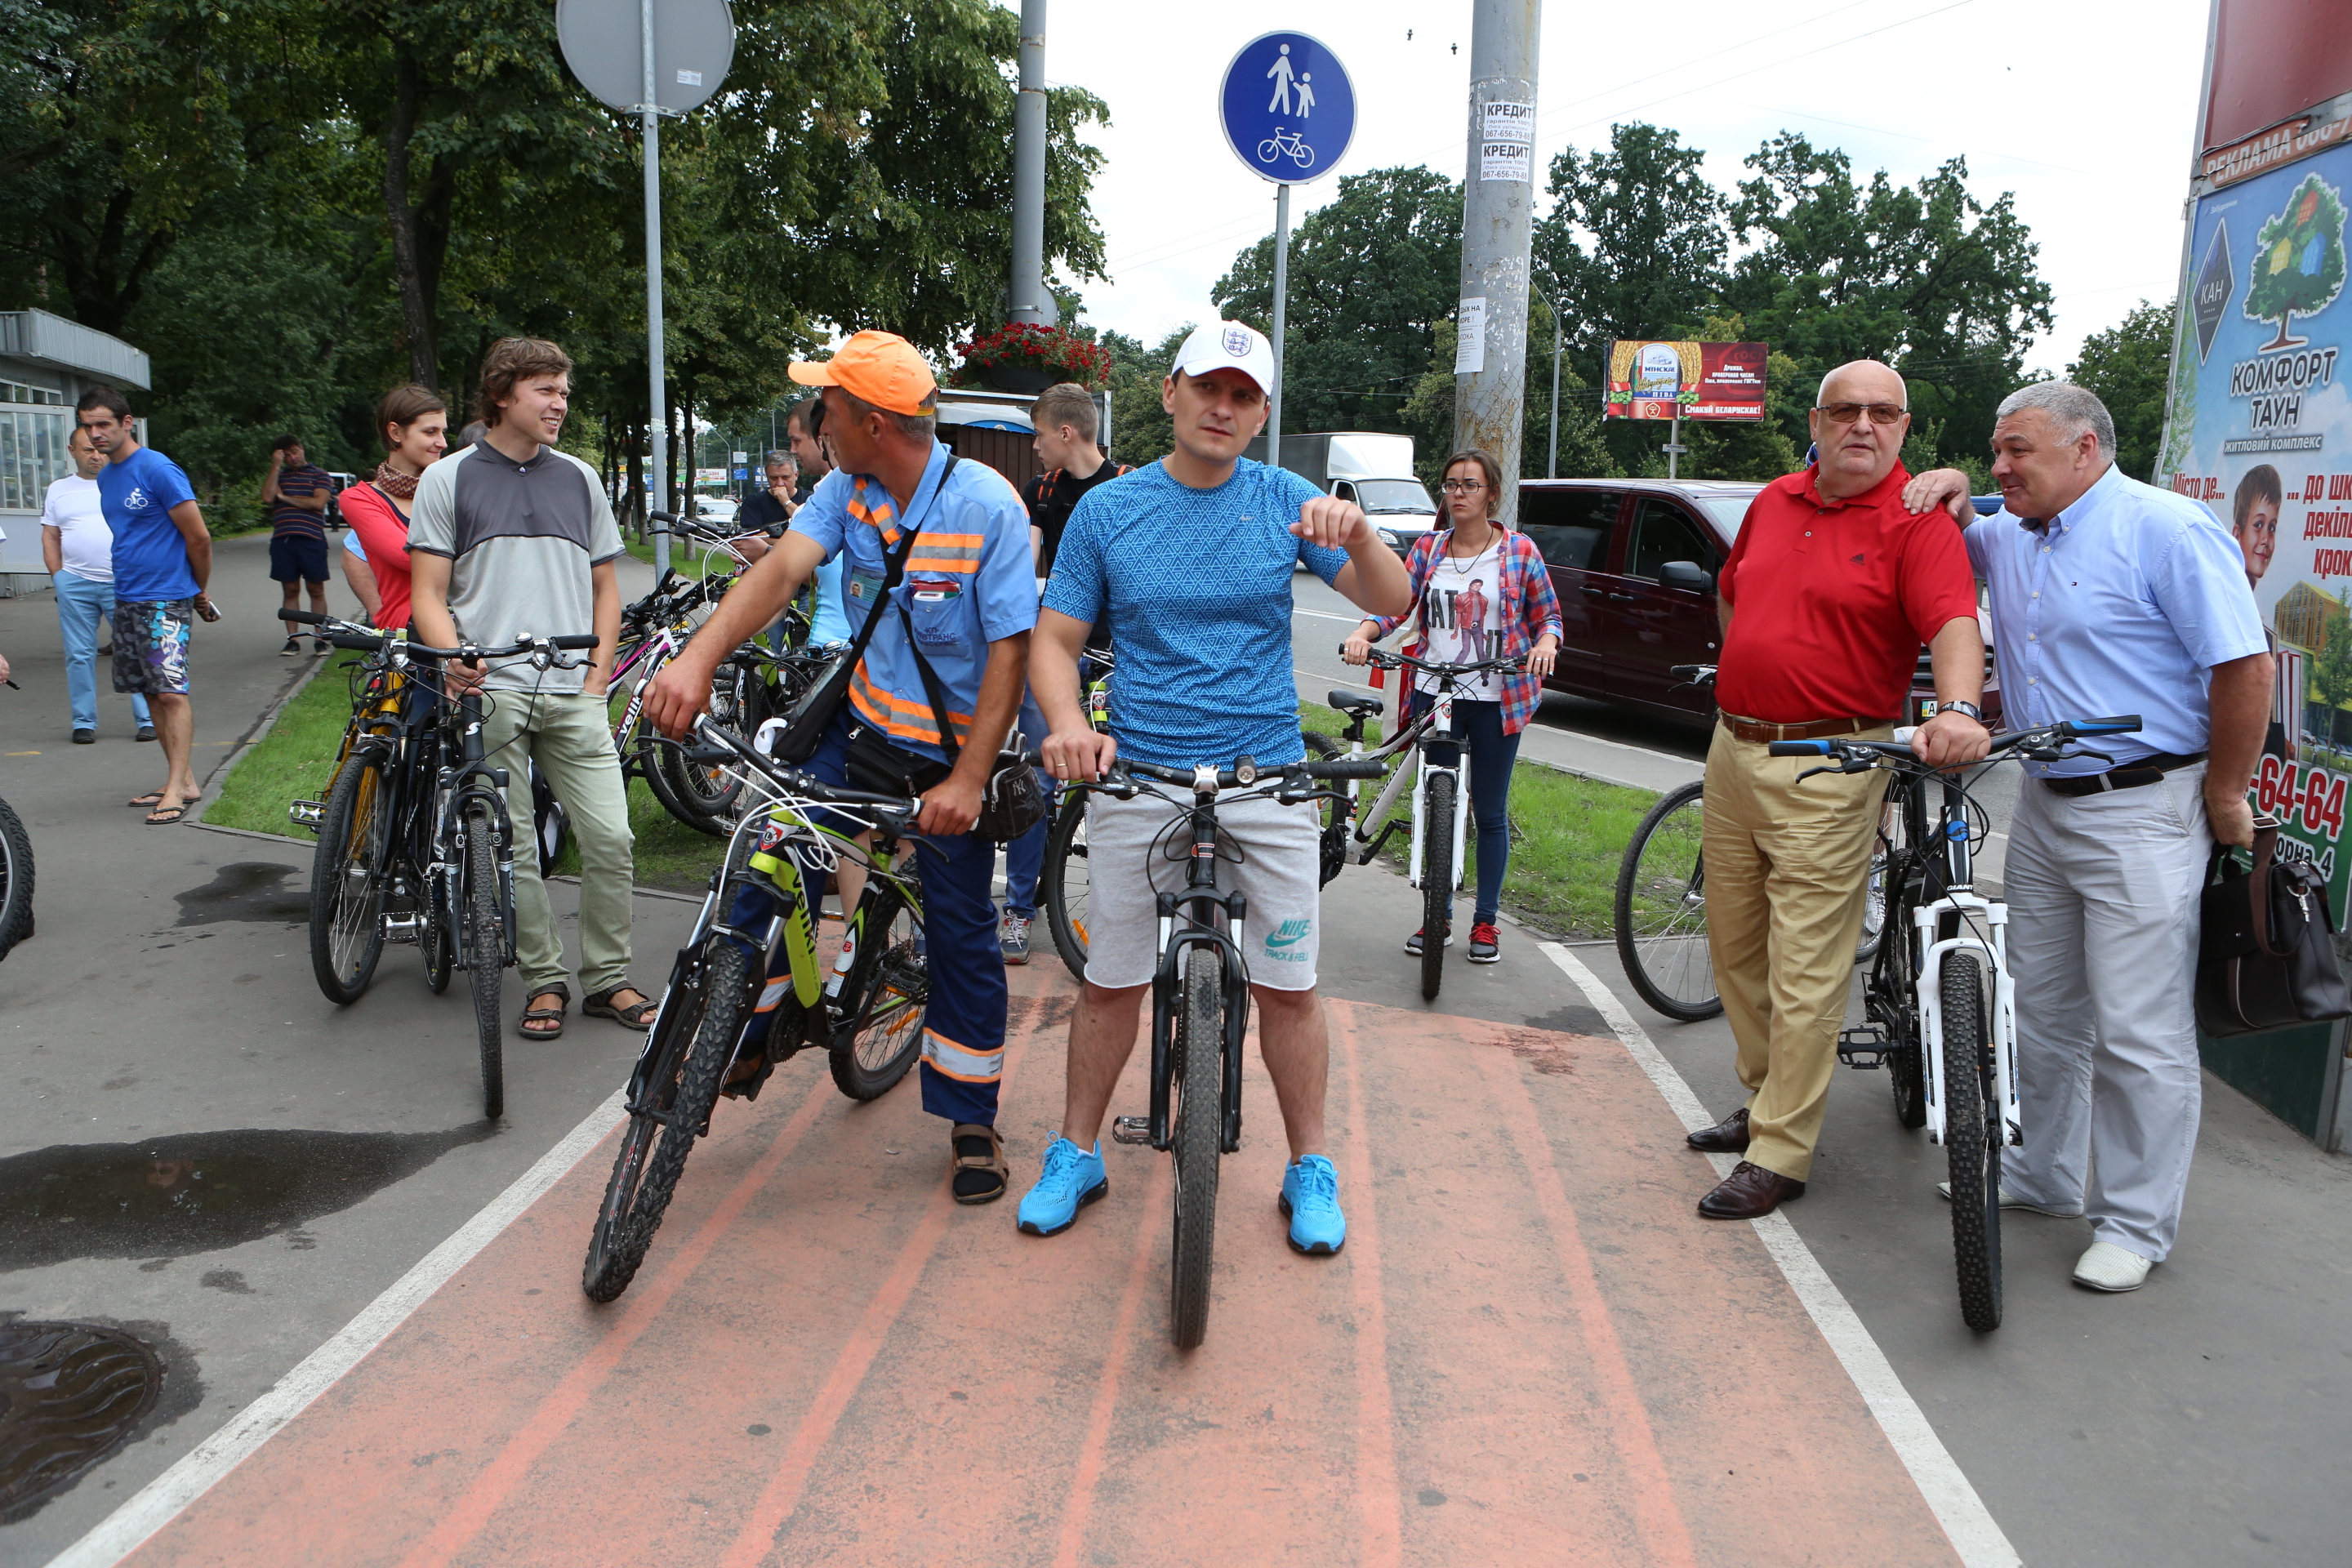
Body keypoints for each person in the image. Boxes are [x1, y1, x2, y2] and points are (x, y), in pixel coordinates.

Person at [1018, 321, 1413, 1253]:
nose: (1223, 407)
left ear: (1264, 411)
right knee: (1111, 983)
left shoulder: (1285, 498)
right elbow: (1055, 640)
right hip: (1142, 773)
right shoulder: (1109, 512)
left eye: (1244, 395)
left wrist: (1359, 534)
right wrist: (1071, 726)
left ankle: (1309, 1164)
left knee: (1290, 989)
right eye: (1209, 387)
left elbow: (1390, 601)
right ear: (1171, 392)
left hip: (1266, 777)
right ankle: (1077, 1150)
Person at [644, 331, 1036, 1205]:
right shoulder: (844, 490)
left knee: (963, 934)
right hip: (859, 731)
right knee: (771, 859)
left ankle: (972, 1117)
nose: (816, 422)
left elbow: (1011, 651)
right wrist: (697, 660)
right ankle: (736, 1034)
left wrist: (969, 781)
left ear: (868, 420)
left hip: (948, 755)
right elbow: (782, 570)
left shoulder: (989, 508)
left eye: (827, 408)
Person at [1904, 383, 2270, 1294]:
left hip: (2145, 806)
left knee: (2138, 1025)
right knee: (2046, 1008)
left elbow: (2244, 666)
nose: (2001, 467)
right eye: (1995, 450)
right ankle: (2043, 1175)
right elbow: (1960, 518)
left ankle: (2136, 1223)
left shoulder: (2168, 531)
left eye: (2017, 450)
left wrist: (2228, 790)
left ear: (2085, 448)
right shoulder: (2007, 531)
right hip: (2045, 802)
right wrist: (1957, 484)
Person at [1687, 360, 1989, 1222]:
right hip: (1733, 747)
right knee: (1736, 945)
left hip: (1831, 763)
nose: (1863, 425)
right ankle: (1764, 1098)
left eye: (1883, 413)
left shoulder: (1916, 518)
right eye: (1846, 410)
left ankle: (1782, 1148)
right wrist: (1750, 672)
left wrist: (1960, 706)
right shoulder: (1775, 499)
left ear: (1904, 427)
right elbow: (1731, 594)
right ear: (1814, 423)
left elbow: (1954, 623)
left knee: (1806, 961)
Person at [408, 337, 653, 1040]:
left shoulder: (579, 477)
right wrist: (454, 657)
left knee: (612, 836)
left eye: (564, 390)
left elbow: (607, 587)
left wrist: (601, 673)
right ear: (503, 395)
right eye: (545, 389)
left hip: (575, 688)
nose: (560, 403)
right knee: (518, 848)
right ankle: (543, 980)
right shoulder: (447, 479)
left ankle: (607, 978)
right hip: (493, 689)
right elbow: (428, 592)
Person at [1341, 447, 1564, 963]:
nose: (1459, 493)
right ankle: (1434, 916)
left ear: (1492, 493)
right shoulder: (1427, 549)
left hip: (1497, 697)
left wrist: (1546, 645)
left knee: (1488, 811)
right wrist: (1364, 631)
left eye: (1470, 484)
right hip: (1435, 692)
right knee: (1433, 805)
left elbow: (1547, 616)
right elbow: (1398, 606)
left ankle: (1485, 923)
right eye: (1451, 484)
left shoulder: (1519, 552)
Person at [999, 382, 1129, 964]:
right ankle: (1019, 911)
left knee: (1118, 783)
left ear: (1066, 432)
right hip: (1059, 651)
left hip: (1118, 656)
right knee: (1037, 777)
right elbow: (1024, 565)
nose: (1035, 447)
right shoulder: (1041, 490)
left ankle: (1117, 915)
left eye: (1038, 435)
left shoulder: (1128, 486)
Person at [76, 387, 217, 823]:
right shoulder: (107, 476)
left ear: (127, 422)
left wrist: (198, 590)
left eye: (104, 424)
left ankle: (175, 789)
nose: (95, 434)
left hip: (165, 597)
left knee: (172, 691)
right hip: (128, 596)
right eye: (88, 425)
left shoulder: (157, 468)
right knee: (152, 691)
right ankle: (183, 779)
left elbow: (199, 537)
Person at [42, 425, 154, 745]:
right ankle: (83, 721)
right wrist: (58, 577)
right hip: (75, 583)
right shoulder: (59, 489)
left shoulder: (124, 480)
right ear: (73, 452)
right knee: (78, 655)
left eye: (98, 448)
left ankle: (147, 719)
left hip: (123, 581)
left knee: (132, 651)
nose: (95, 454)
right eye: (87, 449)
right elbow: (51, 535)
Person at [338, 384, 448, 631]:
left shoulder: (451, 487)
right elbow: (406, 557)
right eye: (430, 432)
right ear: (396, 432)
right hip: (408, 640)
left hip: (468, 628)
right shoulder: (359, 499)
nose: (442, 443)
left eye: (443, 432)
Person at [2227, 465, 2292, 760]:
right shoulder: (2224, 610)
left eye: (2273, 527)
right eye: (2258, 525)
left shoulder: (2257, 623)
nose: (2266, 539)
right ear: (2236, 533)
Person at [265, 434, 333, 656]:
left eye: (295, 451)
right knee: (290, 589)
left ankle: (320, 638)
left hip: (312, 539)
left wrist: (284, 498)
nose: (292, 457)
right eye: (286, 455)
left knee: (316, 589)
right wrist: (276, 466)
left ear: (302, 449)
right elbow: (267, 497)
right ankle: (293, 640)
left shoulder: (320, 475)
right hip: (283, 541)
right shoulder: (279, 476)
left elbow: (318, 502)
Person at [786, 398, 831, 497]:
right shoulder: (833, 489)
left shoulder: (840, 493)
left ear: (822, 438)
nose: (792, 450)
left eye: (797, 441)